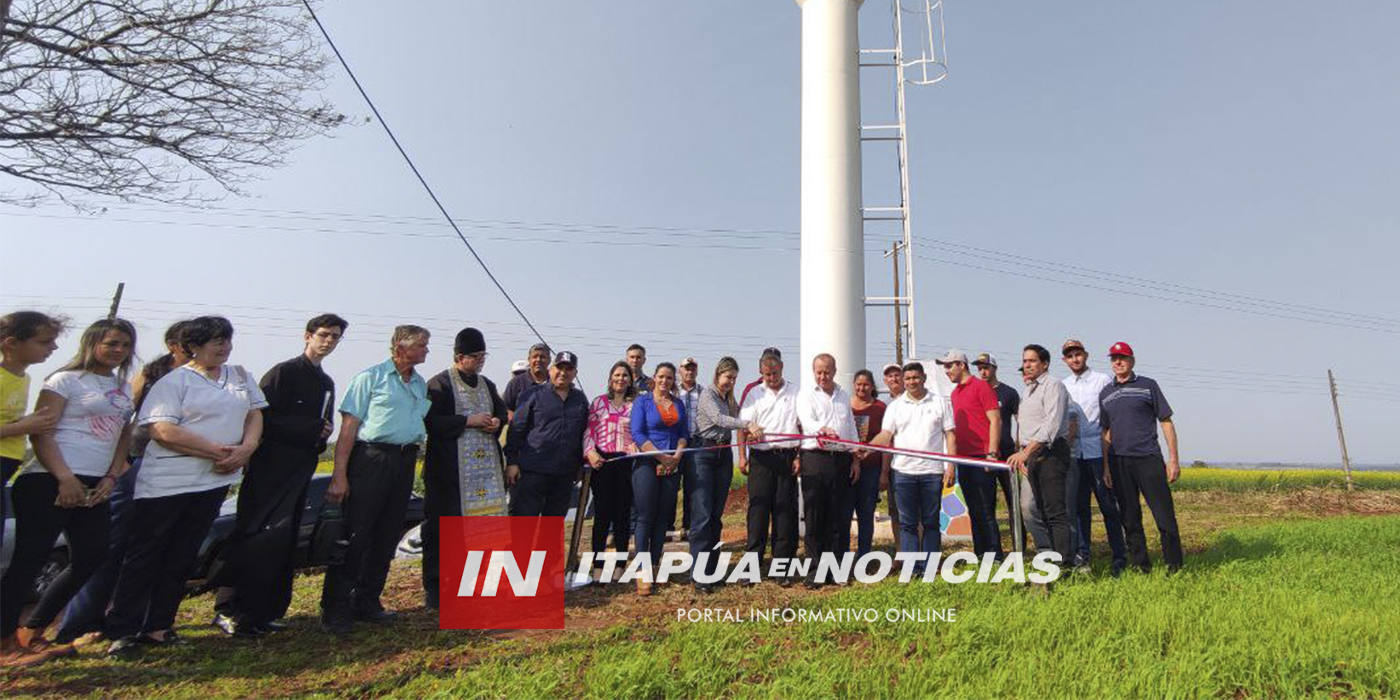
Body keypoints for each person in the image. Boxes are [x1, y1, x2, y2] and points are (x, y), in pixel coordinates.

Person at [106, 316, 266, 657]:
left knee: (182, 555)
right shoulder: (174, 382)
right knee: (145, 554)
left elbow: (255, 414)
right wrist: (218, 451)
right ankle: (123, 630)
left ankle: (159, 626)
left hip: (213, 479)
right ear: (194, 346)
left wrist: (247, 448)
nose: (224, 347)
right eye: (216, 341)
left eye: (227, 340)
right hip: (168, 481)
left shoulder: (239, 376)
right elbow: (162, 430)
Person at [1, 318, 135, 666]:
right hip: (49, 478)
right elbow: (41, 432)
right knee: (29, 561)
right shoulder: (63, 380)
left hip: (96, 481)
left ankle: (33, 629)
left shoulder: (122, 388)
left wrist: (110, 476)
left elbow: (124, 433)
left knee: (92, 554)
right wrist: (64, 477)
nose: (118, 350)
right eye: (111, 343)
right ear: (92, 344)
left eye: (125, 344)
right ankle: (5, 642)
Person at [56, 321, 191, 646]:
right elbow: (126, 419)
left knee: (150, 548)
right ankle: (78, 624)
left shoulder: (209, 381)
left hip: (174, 471)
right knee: (111, 548)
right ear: (173, 345)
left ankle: (135, 620)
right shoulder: (152, 373)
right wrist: (120, 465)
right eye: (190, 344)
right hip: (133, 465)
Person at [209, 314, 345, 637]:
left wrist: (322, 432)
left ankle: (264, 610)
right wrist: (308, 427)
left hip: (301, 469)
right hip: (270, 467)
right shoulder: (284, 373)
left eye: (335, 337)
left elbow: (323, 426)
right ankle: (230, 609)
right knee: (255, 534)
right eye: (324, 334)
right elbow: (260, 418)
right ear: (307, 336)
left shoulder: (326, 382)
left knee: (283, 540)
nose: (328, 341)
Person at [319, 325, 431, 636]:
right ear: (400, 347)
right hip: (371, 459)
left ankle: (367, 601)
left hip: (405, 459)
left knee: (386, 534)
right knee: (356, 534)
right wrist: (339, 474)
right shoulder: (370, 378)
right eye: (421, 345)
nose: (426, 351)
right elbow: (348, 430)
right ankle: (335, 607)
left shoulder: (419, 384)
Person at [421, 328, 508, 609]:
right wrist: (467, 421)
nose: (481, 361)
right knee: (442, 531)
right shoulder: (439, 385)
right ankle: (436, 588)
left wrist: (497, 422)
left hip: (484, 475)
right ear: (459, 357)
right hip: (449, 474)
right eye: (476, 357)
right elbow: (430, 422)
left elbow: (501, 412)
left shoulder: (487, 384)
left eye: (483, 356)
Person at [1100, 342, 1183, 573]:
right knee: (1129, 518)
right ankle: (1140, 566)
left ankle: (1173, 566)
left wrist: (1173, 459)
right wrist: (1106, 467)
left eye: (1122, 357)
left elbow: (1165, 421)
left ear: (1132, 360)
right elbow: (1106, 432)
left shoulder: (1148, 385)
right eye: (1114, 358)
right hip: (1119, 462)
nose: (1118, 362)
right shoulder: (1106, 393)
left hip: (1148, 459)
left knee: (1164, 516)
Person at [869, 362, 955, 575]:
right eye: (908, 379)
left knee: (930, 522)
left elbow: (950, 435)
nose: (911, 382)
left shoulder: (940, 403)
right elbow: (886, 435)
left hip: (932, 473)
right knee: (907, 523)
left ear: (924, 378)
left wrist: (950, 465)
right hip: (903, 473)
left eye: (915, 378)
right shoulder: (895, 407)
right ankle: (912, 568)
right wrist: (867, 448)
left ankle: (929, 566)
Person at [973, 352, 1051, 554]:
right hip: (985, 455)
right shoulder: (976, 391)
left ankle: (1020, 548)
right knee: (986, 504)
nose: (982, 371)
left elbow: (1021, 420)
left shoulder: (1008, 393)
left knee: (1014, 503)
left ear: (994, 368)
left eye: (986, 367)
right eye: (979, 367)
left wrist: (1021, 449)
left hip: (1008, 454)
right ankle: (993, 550)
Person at [1060, 338, 1127, 575]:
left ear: (1085, 355)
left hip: (1099, 453)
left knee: (1109, 506)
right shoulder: (1063, 385)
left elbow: (1112, 416)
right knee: (1079, 509)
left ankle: (1119, 558)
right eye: (1069, 356)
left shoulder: (1102, 380)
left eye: (1077, 354)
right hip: (1074, 455)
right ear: (1064, 360)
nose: (1074, 359)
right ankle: (1082, 558)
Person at [1005, 344, 1074, 571]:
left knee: (1054, 509)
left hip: (1051, 453)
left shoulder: (1054, 386)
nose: (1027, 365)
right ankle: (1047, 555)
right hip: (1032, 455)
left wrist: (1026, 452)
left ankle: (1064, 564)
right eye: (1024, 361)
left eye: (1032, 361)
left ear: (1044, 363)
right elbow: (1024, 426)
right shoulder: (1028, 390)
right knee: (1033, 509)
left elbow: (1050, 426)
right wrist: (1024, 454)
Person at [690, 356, 755, 593]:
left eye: (735, 379)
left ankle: (713, 570)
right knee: (703, 516)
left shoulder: (730, 399)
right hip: (704, 454)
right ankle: (699, 574)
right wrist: (747, 424)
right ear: (718, 375)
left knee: (716, 516)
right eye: (728, 377)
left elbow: (738, 416)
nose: (731, 382)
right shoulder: (708, 394)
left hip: (722, 455)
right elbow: (720, 420)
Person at [0, 312, 64, 552]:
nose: (54, 347)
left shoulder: (24, 377)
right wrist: (24, 427)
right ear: (12, 343)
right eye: (44, 342)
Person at [794, 354, 859, 588]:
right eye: (819, 372)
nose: (823, 376)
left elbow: (850, 427)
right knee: (814, 516)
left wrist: (855, 456)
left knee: (837, 517)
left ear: (835, 370)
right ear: (814, 372)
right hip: (815, 459)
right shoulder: (806, 395)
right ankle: (814, 572)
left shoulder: (843, 396)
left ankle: (837, 570)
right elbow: (806, 421)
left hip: (840, 460)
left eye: (827, 371)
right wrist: (821, 430)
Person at [737, 353, 801, 583]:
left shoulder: (796, 392)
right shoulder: (754, 394)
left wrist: (799, 456)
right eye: (767, 374)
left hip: (787, 458)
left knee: (785, 512)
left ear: (782, 368)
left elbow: (804, 426)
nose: (771, 378)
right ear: (761, 372)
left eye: (775, 373)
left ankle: (781, 568)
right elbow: (743, 425)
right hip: (761, 459)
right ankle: (752, 567)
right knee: (758, 512)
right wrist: (742, 456)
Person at [626, 362, 687, 595]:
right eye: (661, 377)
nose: (665, 381)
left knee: (663, 517)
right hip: (647, 462)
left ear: (674, 381)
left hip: (672, 464)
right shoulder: (643, 401)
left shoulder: (678, 404)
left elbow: (683, 434)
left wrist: (677, 455)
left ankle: (655, 564)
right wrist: (661, 456)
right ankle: (642, 570)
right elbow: (638, 433)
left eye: (669, 378)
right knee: (645, 516)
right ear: (654, 378)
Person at [504, 351, 588, 517]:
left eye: (569, 369)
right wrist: (512, 462)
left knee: (553, 525)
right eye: (559, 367)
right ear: (550, 369)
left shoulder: (580, 399)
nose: (563, 373)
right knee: (524, 523)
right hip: (533, 471)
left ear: (575, 373)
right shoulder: (532, 395)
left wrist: (579, 465)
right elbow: (516, 430)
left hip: (564, 473)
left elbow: (583, 434)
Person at [938, 349, 1004, 560]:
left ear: (961, 365)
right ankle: (981, 554)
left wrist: (992, 454)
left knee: (985, 510)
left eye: (949, 366)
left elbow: (995, 420)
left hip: (982, 457)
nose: (946, 370)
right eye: (944, 366)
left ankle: (995, 556)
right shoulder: (955, 393)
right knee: (974, 512)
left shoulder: (981, 387)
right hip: (964, 459)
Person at [583, 362, 637, 570]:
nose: (621, 378)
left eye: (625, 375)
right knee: (602, 514)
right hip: (602, 463)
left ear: (630, 380)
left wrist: (636, 446)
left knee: (623, 514)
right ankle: (598, 564)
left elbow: (639, 433)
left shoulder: (634, 406)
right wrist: (590, 452)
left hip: (624, 462)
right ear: (610, 378)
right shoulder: (598, 402)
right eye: (617, 374)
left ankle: (621, 564)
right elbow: (588, 431)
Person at [842, 369, 885, 558]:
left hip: (871, 469)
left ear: (872, 386)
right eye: (858, 384)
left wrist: (884, 472)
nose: (862, 388)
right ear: (853, 385)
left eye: (866, 384)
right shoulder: (845, 405)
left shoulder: (881, 408)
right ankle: (841, 554)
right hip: (847, 468)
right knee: (843, 513)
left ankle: (864, 554)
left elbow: (887, 442)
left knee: (866, 514)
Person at [671, 357, 703, 540]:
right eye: (686, 368)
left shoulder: (704, 392)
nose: (689, 372)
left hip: (696, 444)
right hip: (675, 444)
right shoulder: (672, 392)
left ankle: (688, 526)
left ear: (696, 371)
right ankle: (668, 526)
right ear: (679, 371)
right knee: (671, 485)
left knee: (693, 486)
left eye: (692, 368)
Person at [880, 362, 905, 528]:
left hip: (914, 464)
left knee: (915, 512)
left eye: (897, 375)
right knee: (895, 510)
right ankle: (900, 551)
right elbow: (885, 440)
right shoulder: (883, 405)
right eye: (890, 376)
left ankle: (922, 552)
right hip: (893, 465)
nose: (894, 379)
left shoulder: (914, 400)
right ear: (885, 381)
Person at [502, 343, 550, 421]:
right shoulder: (516, 383)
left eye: (542, 357)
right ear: (529, 360)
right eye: (535, 357)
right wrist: (516, 421)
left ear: (549, 360)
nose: (538, 360)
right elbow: (505, 408)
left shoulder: (555, 382)